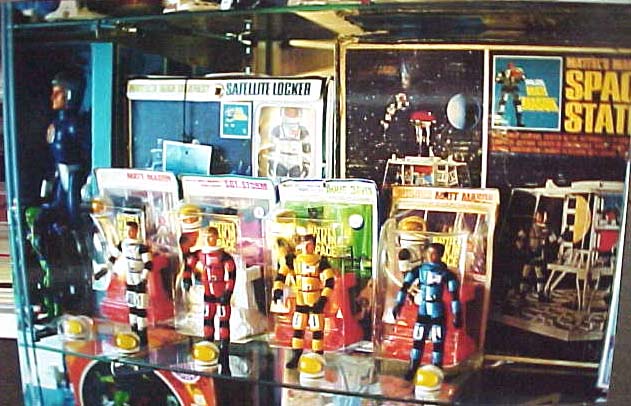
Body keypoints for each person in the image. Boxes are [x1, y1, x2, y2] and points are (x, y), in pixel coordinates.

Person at [392, 242, 462, 381]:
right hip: (424, 307)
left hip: (437, 309)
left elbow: (455, 296)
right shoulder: (419, 270)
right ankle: (413, 367)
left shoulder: (447, 274)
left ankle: (437, 368)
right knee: (418, 337)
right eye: (428, 253)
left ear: (440, 255)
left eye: (434, 253)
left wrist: (457, 314)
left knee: (437, 339)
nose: (430, 256)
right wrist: (399, 303)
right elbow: (405, 286)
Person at [272, 234, 335, 369]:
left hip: (315, 300)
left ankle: (317, 356)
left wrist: (323, 299)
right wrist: (277, 289)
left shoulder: (321, 262)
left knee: (317, 329)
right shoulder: (293, 260)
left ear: (314, 245)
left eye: (309, 244)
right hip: (301, 300)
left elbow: (330, 282)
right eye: (304, 244)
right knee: (298, 328)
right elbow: (281, 275)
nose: (306, 248)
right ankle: (296, 355)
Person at [183, 226, 236, 358]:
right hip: (208, 292)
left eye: (211, 236)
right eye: (206, 237)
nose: (208, 239)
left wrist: (228, 292)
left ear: (216, 237)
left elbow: (231, 274)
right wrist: (186, 278)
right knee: (208, 317)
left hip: (221, 291)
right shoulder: (200, 254)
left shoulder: (223, 256)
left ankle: (224, 345)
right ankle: (208, 342)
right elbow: (189, 265)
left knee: (223, 319)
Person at [110, 221, 153, 345]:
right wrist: (105, 269)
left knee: (141, 308)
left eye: (132, 230)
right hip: (129, 278)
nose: (129, 233)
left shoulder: (142, 247)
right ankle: (134, 331)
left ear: (136, 231)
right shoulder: (123, 244)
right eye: (127, 230)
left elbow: (149, 264)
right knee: (132, 306)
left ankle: (142, 334)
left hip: (139, 278)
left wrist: (143, 278)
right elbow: (113, 257)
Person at [496, 62, 526, 127]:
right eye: (510, 66)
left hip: (514, 88)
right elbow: (497, 80)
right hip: (506, 88)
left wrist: (520, 73)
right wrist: (502, 77)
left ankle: (519, 122)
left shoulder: (517, 72)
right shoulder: (503, 73)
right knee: (502, 105)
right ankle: (498, 121)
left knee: (518, 105)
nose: (511, 68)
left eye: (512, 66)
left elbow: (523, 78)